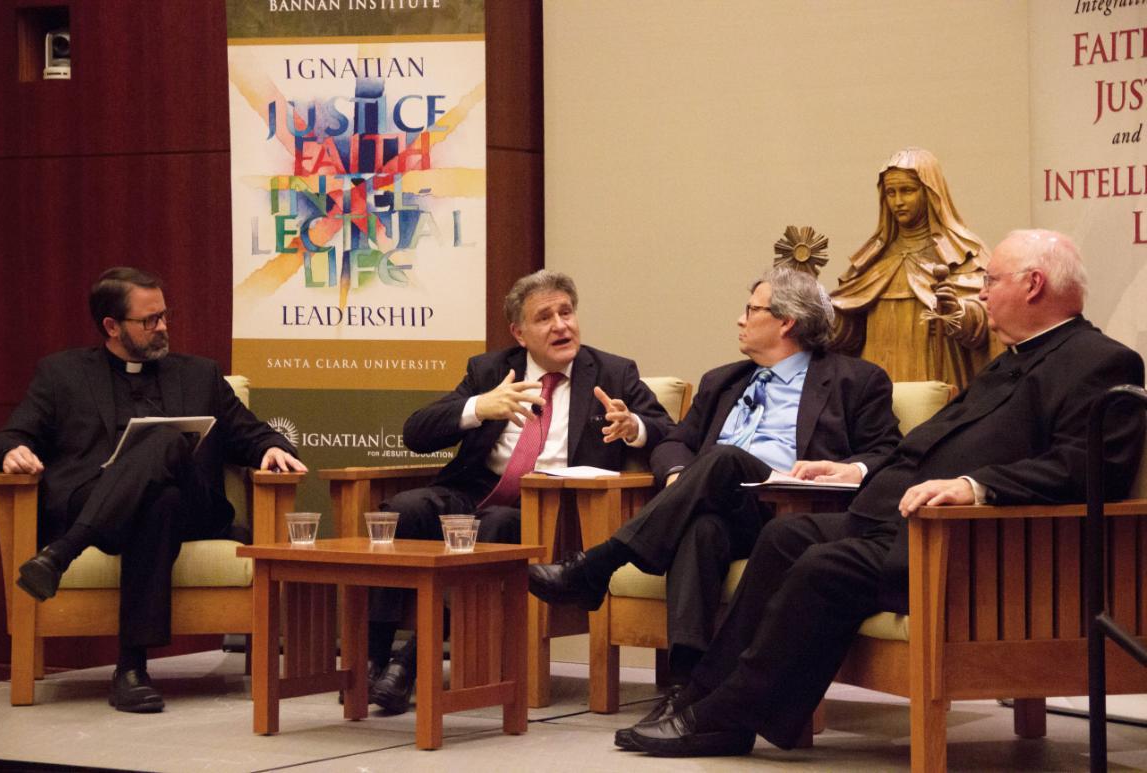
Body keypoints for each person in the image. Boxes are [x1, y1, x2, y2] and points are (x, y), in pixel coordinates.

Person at [619, 229, 1145, 757]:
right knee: (783, 536)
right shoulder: (1009, 359)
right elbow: (931, 445)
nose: (981, 294)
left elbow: (1091, 467)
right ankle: (702, 698)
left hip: (969, 548)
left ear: (1033, 285)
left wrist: (975, 488)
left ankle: (725, 715)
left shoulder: (1101, 363)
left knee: (824, 567)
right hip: (895, 517)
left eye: (990, 280)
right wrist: (856, 474)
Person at [526, 267, 901, 704]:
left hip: (793, 514)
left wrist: (850, 470)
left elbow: (890, 454)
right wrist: (679, 476)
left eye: (751, 310)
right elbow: (675, 442)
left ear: (786, 322)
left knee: (720, 462)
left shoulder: (855, 380)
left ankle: (597, 565)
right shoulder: (722, 380)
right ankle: (687, 688)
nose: (740, 320)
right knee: (702, 521)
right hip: (722, 505)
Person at [0, 267, 306, 714]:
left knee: (166, 442)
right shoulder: (61, 375)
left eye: (164, 315)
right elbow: (8, 436)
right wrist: (12, 452)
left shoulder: (200, 375)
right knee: (158, 501)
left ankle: (62, 553)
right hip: (102, 504)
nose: (163, 327)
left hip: (195, 511)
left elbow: (253, 435)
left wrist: (272, 448)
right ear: (111, 327)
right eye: (149, 320)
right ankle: (131, 669)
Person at [365, 269, 675, 714]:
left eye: (566, 312)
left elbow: (670, 431)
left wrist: (634, 428)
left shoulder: (613, 372)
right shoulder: (490, 370)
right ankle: (375, 659)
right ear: (519, 332)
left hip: (554, 517)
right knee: (401, 511)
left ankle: (410, 663)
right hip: (474, 492)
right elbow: (416, 432)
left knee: (495, 526)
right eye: (545, 317)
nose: (561, 326)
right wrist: (477, 407)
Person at [831, 147, 998, 391]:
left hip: (937, 372)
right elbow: (850, 333)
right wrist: (823, 314)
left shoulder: (963, 251)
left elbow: (990, 318)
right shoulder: (873, 257)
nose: (898, 201)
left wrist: (958, 312)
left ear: (930, 191)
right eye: (891, 192)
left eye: (907, 191)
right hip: (877, 372)